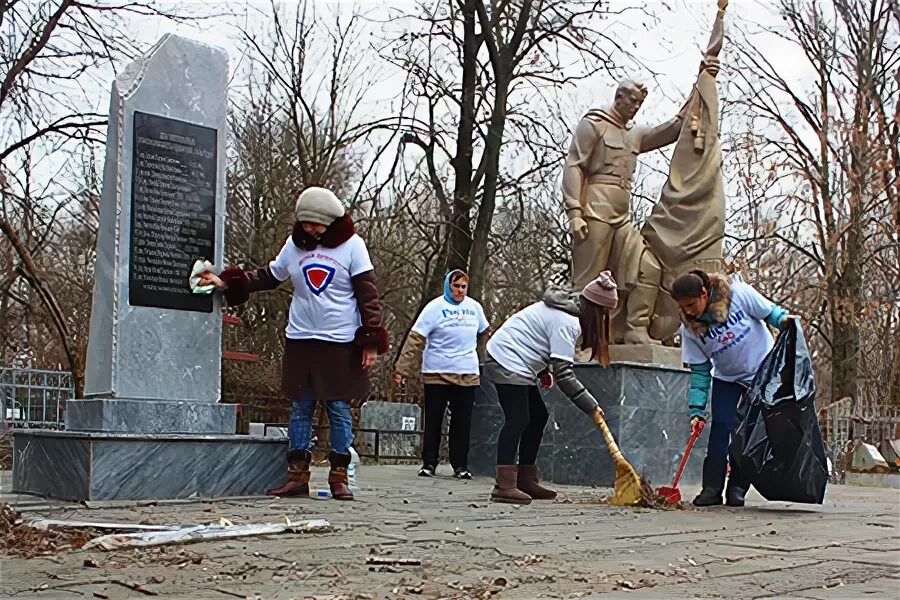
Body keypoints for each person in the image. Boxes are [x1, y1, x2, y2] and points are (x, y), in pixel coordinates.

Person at [199, 187, 389, 501]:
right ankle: (297, 476)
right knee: (301, 407)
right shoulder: (295, 246)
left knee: (338, 408)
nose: (310, 229)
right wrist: (228, 282)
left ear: (331, 221)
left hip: (339, 342)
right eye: (305, 223)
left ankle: (338, 476)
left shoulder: (353, 246)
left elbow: (368, 295)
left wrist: (370, 340)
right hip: (302, 339)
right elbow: (269, 276)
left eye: (317, 224)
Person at [483, 271, 618, 504]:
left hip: (520, 362)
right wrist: (591, 406)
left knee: (538, 415)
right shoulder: (567, 322)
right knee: (518, 419)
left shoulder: (567, 313)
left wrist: (543, 370)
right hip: (505, 359)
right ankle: (504, 485)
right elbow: (565, 376)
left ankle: (525, 479)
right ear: (596, 310)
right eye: (605, 313)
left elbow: (538, 340)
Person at [672, 269, 796, 508]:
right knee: (721, 427)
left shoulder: (738, 294)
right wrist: (696, 410)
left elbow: (771, 313)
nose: (687, 311)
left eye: (691, 304)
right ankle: (711, 489)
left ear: (704, 293)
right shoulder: (690, 329)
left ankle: (738, 487)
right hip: (727, 378)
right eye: (682, 306)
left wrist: (785, 322)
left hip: (761, 374)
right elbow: (700, 372)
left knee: (748, 433)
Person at [393, 270, 490, 479]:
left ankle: (460, 465)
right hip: (437, 372)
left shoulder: (474, 308)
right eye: (456, 286)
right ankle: (429, 463)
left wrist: (483, 356)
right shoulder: (435, 308)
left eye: (464, 287)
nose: (460, 291)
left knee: (462, 423)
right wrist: (403, 368)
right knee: (434, 421)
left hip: (467, 374)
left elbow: (485, 332)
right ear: (448, 286)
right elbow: (415, 339)